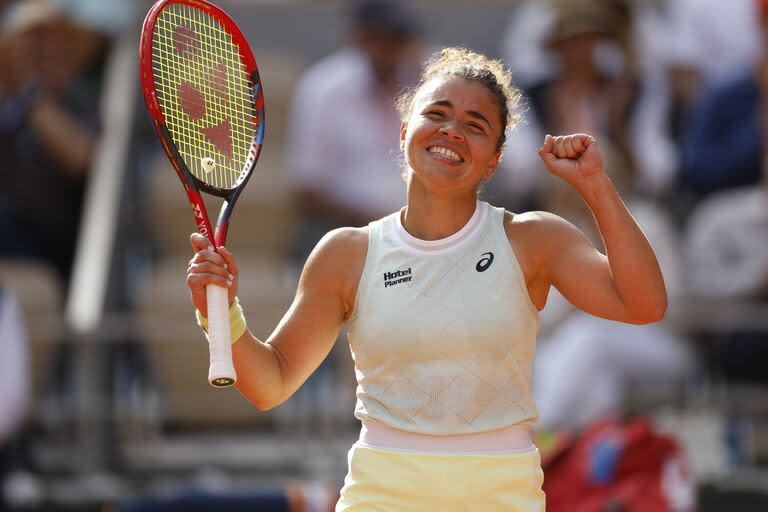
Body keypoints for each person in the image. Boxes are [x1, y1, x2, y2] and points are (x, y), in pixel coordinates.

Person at [187, 47, 667, 510]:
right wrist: (223, 312)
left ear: (494, 160)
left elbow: (644, 305)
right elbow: (271, 383)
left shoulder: (535, 239)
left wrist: (595, 187)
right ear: (403, 131)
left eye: (475, 125)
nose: (453, 130)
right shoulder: (345, 253)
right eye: (437, 113)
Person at [284, 0, 425, 262]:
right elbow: (308, 190)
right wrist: (382, 223)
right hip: (347, 230)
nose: (388, 48)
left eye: (397, 38)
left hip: (427, 231)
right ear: (359, 38)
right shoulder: (322, 88)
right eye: (379, 38)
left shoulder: (431, 81)